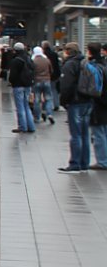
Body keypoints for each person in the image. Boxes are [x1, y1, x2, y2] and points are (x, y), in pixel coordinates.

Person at [58, 42, 93, 173]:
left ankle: (75, 163)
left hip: (75, 102)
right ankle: (84, 163)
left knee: (75, 135)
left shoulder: (69, 64)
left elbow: (66, 86)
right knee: (84, 134)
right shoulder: (86, 63)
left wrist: (64, 102)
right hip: (88, 101)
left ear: (68, 51)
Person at [7, 42, 35, 133]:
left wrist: (12, 82)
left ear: (15, 50)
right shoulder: (28, 58)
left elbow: (13, 75)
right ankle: (31, 127)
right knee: (26, 106)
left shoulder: (16, 60)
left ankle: (22, 127)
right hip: (27, 85)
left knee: (20, 107)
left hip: (18, 86)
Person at [87, 42, 107, 170]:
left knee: (98, 133)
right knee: (104, 132)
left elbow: (94, 88)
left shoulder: (94, 67)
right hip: (104, 102)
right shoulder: (103, 65)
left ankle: (102, 161)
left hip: (99, 103)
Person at [31, 45, 54, 124]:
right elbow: (51, 70)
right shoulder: (47, 60)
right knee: (48, 98)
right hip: (47, 81)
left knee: (37, 100)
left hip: (37, 81)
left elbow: (31, 72)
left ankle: (37, 117)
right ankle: (49, 114)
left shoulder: (33, 60)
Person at [41, 40, 61, 110]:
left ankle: (45, 105)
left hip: (45, 75)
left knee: (45, 91)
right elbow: (57, 65)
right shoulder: (54, 54)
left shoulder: (43, 55)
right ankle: (56, 104)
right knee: (54, 89)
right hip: (55, 75)